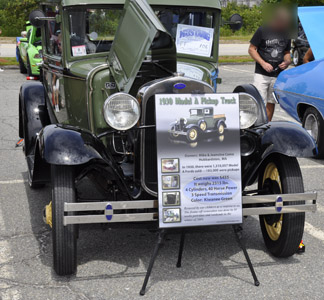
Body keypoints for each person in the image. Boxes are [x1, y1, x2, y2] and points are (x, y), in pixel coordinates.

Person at [249, 6, 292, 121]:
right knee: (259, 101)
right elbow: (252, 49)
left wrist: (287, 61)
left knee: (271, 101)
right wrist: (263, 63)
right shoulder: (263, 30)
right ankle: (256, 125)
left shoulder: (286, 33)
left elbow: (287, 52)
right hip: (261, 74)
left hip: (277, 74)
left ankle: (266, 126)